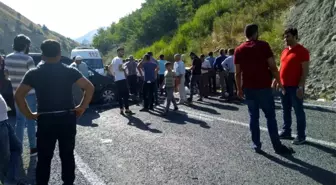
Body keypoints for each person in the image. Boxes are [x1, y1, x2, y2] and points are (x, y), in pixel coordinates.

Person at [14, 39, 95, 185]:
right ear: (59, 53)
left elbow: (19, 95)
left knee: (44, 157)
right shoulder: (70, 70)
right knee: (67, 155)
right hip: (67, 118)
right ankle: (68, 182)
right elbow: (89, 87)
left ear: (42, 55)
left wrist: (29, 114)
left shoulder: (34, 73)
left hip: (45, 120)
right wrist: (82, 106)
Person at [234, 24, 294, 154]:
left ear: (246, 34)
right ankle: (277, 146)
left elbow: (237, 73)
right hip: (264, 88)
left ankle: (256, 145)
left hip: (249, 89)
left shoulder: (238, 50)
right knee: (270, 117)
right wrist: (280, 82)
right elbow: (272, 67)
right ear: (256, 33)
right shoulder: (263, 45)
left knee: (253, 117)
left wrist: (239, 89)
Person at [4, 34, 37, 182]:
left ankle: (18, 148)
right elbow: (34, 76)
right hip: (29, 94)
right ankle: (33, 148)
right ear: (25, 45)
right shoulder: (28, 59)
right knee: (31, 120)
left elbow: (6, 75)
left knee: (19, 121)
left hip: (16, 93)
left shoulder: (8, 58)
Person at [272, 28, 310, 145]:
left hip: (295, 87)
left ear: (295, 36)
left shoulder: (302, 51)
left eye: (288, 36)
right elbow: (281, 67)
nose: (285, 39)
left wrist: (300, 86)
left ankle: (301, 135)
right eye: (284, 37)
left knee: (298, 111)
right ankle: (286, 131)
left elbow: (305, 71)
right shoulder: (284, 51)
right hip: (284, 86)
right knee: (285, 110)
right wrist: (276, 79)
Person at [0, 94, 22, 185]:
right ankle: (9, 181)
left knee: (16, 148)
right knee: (4, 157)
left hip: (3, 121)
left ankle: (11, 180)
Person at [109, 47, 134, 115]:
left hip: (117, 79)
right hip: (122, 79)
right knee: (125, 95)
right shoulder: (119, 59)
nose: (123, 53)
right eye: (121, 52)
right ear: (118, 52)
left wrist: (113, 75)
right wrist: (125, 69)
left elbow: (109, 67)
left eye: (123, 51)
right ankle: (127, 109)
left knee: (120, 95)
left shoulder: (114, 59)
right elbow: (120, 68)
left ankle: (121, 110)